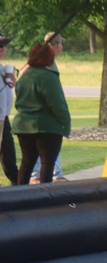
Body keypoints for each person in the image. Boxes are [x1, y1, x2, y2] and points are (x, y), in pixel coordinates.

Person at [12, 41, 71, 185]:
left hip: (23, 126)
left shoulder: (24, 77)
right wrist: (66, 123)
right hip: (47, 128)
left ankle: (20, 194)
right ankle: (45, 196)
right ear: (49, 58)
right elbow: (58, 105)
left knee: (27, 162)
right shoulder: (49, 77)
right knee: (47, 163)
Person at [0, 33, 17, 184]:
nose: (2, 49)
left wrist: (11, 80)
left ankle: (15, 180)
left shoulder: (2, 67)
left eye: (3, 46)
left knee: (7, 149)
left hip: (3, 116)